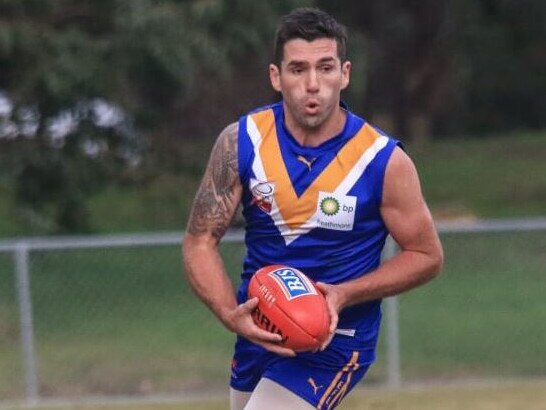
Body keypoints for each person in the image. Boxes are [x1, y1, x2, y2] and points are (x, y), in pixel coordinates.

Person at [182, 7, 443, 410]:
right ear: (275, 76)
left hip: (336, 340)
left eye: (325, 68)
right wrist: (230, 313)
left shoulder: (382, 160)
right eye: (298, 69)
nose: (312, 84)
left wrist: (343, 295)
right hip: (261, 328)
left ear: (345, 73)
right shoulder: (241, 142)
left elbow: (427, 255)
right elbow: (200, 240)